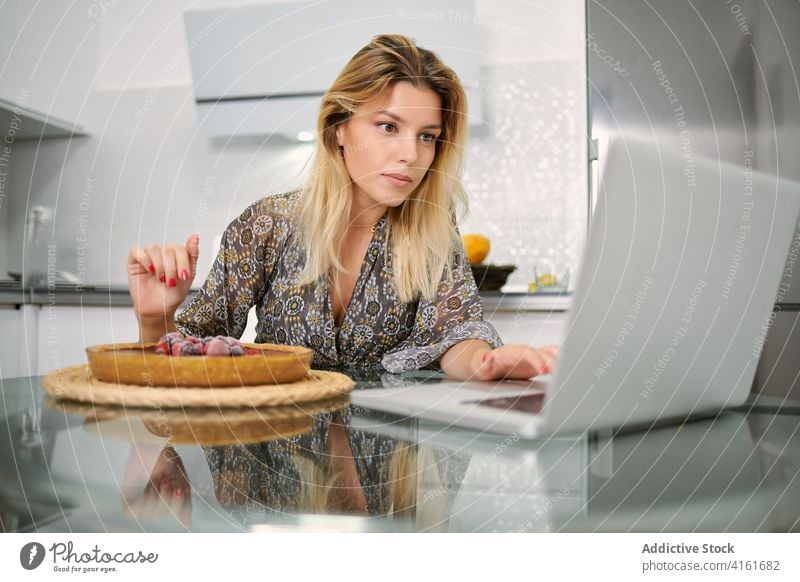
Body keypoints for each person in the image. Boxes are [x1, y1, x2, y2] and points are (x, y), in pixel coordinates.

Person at [126, 34, 558, 381]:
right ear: (339, 130)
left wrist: (487, 364)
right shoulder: (265, 226)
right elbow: (190, 351)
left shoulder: (433, 231)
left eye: (427, 135)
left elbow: (456, 336)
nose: (411, 154)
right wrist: (156, 317)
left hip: (388, 473)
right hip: (274, 466)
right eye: (389, 126)